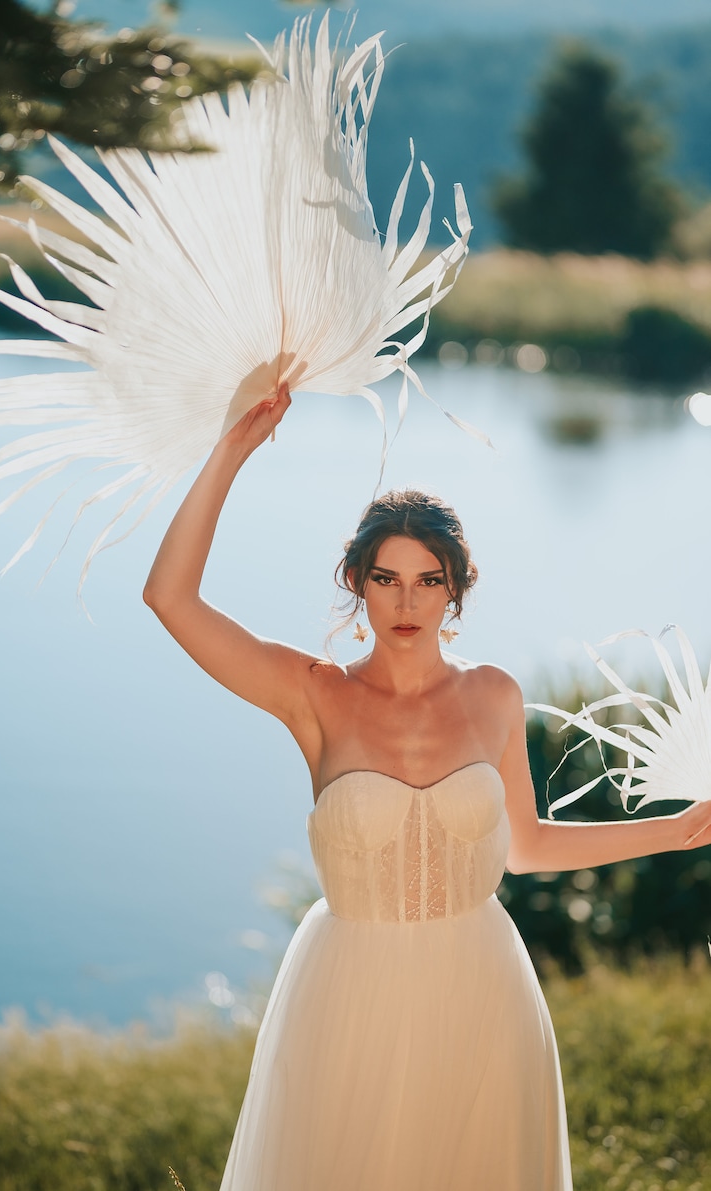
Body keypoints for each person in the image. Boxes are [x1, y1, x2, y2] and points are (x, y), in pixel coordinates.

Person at [143, 383, 711, 1191]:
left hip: (481, 988)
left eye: (427, 580)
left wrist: (684, 825)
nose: (406, 602)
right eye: (385, 579)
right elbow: (168, 597)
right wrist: (231, 451)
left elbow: (530, 845)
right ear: (356, 581)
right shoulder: (314, 693)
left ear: (456, 587)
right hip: (348, 991)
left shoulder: (494, 696)